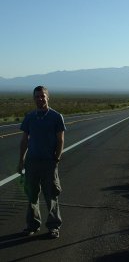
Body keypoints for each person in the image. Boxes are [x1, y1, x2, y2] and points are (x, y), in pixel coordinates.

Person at [18, 85, 66, 239]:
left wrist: (56, 159)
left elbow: (60, 140)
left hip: (48, 163)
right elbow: (24, 140)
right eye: (37, 96)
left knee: (51, 195)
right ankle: (32, 225)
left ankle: (53, 226)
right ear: (34, 98)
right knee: (32, 196)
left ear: (47, 97)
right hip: (31, 163)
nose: (39, 99)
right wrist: (21, 161)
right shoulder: (29, 117)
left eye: (42, 96)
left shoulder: (56, 117)